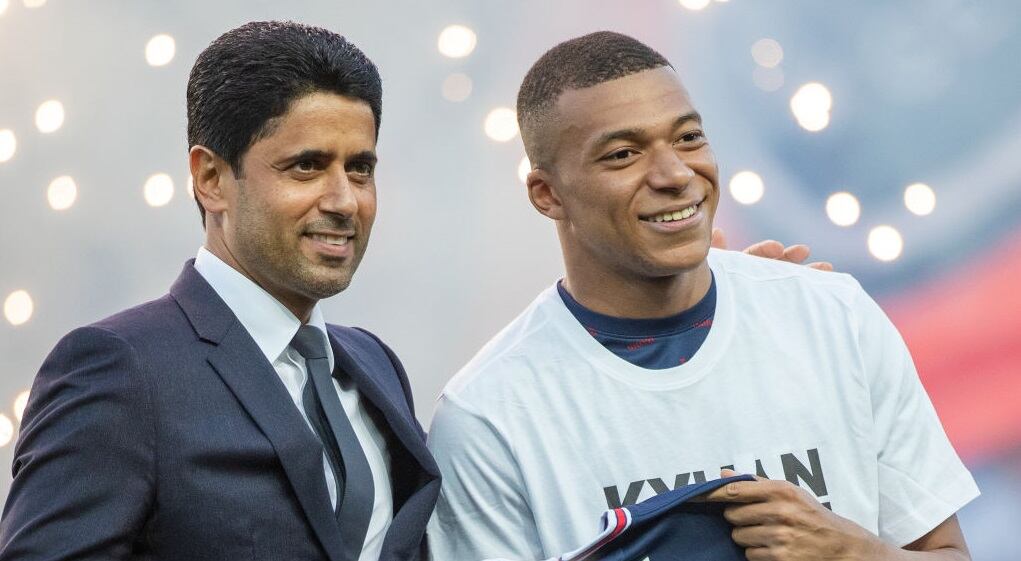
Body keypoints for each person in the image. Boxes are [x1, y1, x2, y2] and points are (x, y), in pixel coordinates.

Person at [426, 31, 978, 561]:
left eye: (688, 137)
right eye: (622, 154)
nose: (675, 173)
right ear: (547, 194)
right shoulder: (489, 415)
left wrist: (851, 554)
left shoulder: (835, 316)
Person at [0, 21, 440, 561]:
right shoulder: (118, 370)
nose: (345, 200)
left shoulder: (375, 365)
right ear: (210, 178)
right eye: (307, 166)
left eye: (360, 168)